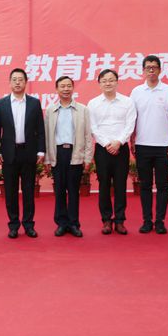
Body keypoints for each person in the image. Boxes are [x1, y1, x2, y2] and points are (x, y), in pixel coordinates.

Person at [0, 68, 46, 239]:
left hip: (29, 152)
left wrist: (41, 150)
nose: (17, 82)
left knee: (29, 191)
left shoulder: (34, 103)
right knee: (10, 191)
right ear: (10, 82)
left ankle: (29, 225)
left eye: (20, 79)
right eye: (14, 79)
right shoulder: (1, 104)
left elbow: (40, 129)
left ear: (25, 82)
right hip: (9, 153)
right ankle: (13, 225)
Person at [130, 56, 168, 235]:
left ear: (160, 70)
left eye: (154, 67)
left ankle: (160, 221)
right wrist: (132, 139)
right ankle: (146, 221)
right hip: (142, 145)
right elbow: (132, 118)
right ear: (143, 70)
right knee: (144, 185)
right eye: (148, 67)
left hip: (163, 146)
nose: (151, 70)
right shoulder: (136, 92)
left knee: (162, 185)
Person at [87, 69, 136, 235]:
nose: (108, 83)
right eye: (104, 80)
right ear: (99, 84)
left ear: (117, 82)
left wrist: (118, 142)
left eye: (111, 80)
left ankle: (120, 220)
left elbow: (130, 125)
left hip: (121, 148)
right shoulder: (93, 103)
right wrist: (107, 143)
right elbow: (93, 127)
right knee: (104, 185)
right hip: (102, 149)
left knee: (121, 185)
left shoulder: (127, 102)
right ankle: (106, 220)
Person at [44, 76, 92, 238]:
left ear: (73, 88)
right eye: (62, 86)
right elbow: (47, 135)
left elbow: (87, 135)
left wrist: (87, 158)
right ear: (56, 89)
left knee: (73, 190)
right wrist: (47, 158)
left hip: (75, 152)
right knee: (59, 190)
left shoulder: (83, 110)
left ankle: (73, 224)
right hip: (57, 153)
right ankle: (61, 223)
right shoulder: (50, 110)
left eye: (69, 86)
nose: (66, 89)